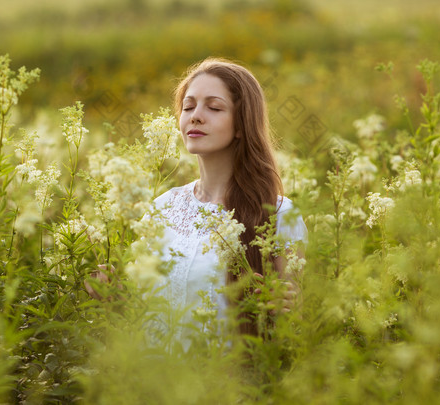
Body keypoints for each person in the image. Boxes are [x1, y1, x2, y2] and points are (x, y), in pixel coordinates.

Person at [87, 57, 307, 343]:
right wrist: (113, 293)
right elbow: (140, 313)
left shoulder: (279, 214)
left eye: (214, 107)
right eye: (188, 107)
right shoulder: (163, 207)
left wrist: (289, 308)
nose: (196, 116)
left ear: (241, 124)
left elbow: (294, 329)